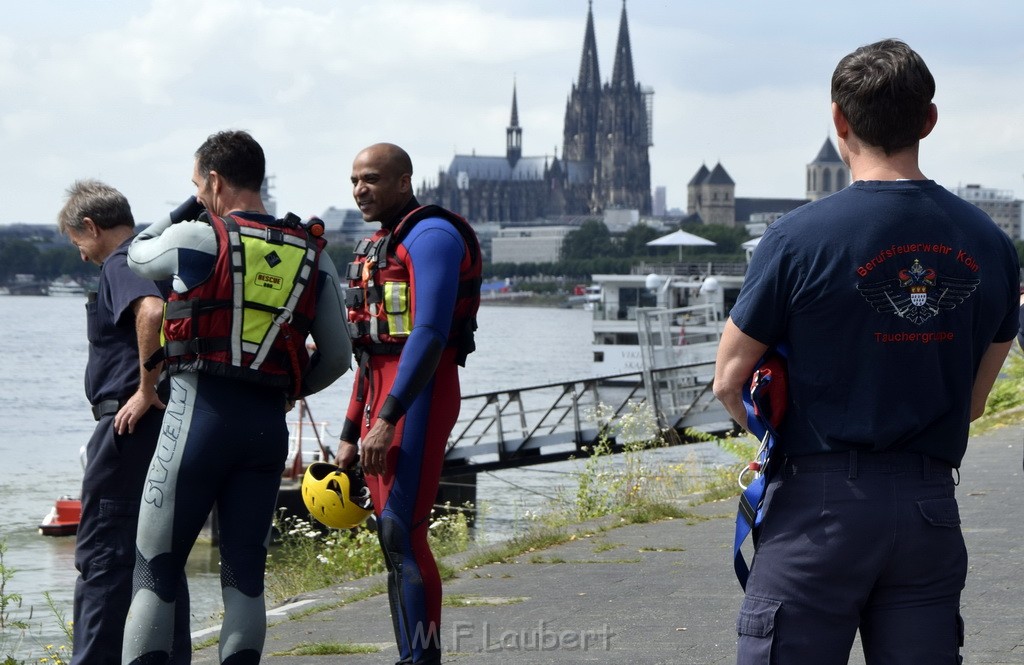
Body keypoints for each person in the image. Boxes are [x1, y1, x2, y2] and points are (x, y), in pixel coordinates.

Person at [713, 39, 1021, 664]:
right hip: (928, 509)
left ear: (839, 121)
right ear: (929, 121)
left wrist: (778, 440)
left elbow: (729, 379)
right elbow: (972, 402)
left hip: (817, 509)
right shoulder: (991, 243)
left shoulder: (797, 239)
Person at [122, 130, 351, 665]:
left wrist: (185, 208)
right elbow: (337, 358)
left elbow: (134, 256)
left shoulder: (198, 239)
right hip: (265, 431)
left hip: (195, 420)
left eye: (199, 185)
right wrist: (288, 391)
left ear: (215, 181)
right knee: (245, 574)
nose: (199, 196)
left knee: (154, 569)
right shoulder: (314, 255)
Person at [336, 143, 481, 665]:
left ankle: (422, 659)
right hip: (381, 402)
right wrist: (352, 430)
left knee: (404, 530)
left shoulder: (432, 236)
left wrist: (388, 418)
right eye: (354, 180)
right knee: (389, 537)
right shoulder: (380, 244)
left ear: (404, 181)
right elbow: (370, 352)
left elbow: (430, 334)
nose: (359, 190)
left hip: (418, 398)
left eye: (371, 178)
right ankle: (410, 656)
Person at [56, 180, 191, 665]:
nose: (82, 256)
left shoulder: (121, 261)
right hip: (171, 426)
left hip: (129, 426)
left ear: (91, 227)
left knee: (102, 555)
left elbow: (150, 312)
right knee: (158, 557)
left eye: (78, 243)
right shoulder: (162, 257)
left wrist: (144, 388)